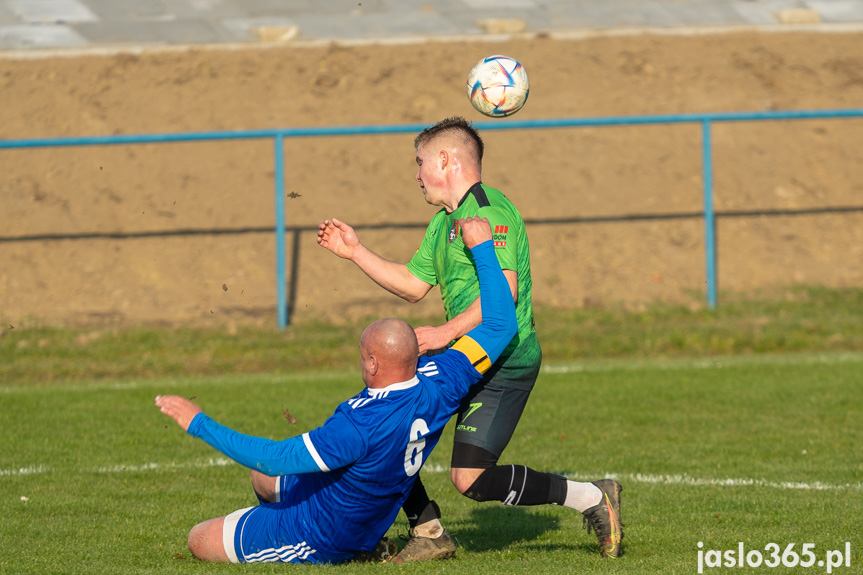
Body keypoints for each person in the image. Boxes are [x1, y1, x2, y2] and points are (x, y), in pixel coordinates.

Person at [316, 116, 623, 559]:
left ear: (445, 160)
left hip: (504, 360)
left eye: (420, 162)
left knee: (471, 479)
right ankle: (428, 530)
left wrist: (443, 331)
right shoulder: (444, 223)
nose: (416, 174)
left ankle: (594, 498)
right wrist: (355, 252)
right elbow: (412, 285)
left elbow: (505, 292)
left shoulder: (488, 211)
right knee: (380, 426)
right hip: (462, 356)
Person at [155, 216, 518, 565]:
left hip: (324, 532)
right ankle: (294, 525)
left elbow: (274, 457)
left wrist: (198, 422)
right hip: (362, 508)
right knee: (262, 481)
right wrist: (483, 249)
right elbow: (501, 325)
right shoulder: (441, 379)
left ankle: (305, 541)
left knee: (199, 539)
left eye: (363, 355)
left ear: (374, 364)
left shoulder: (358, 425)